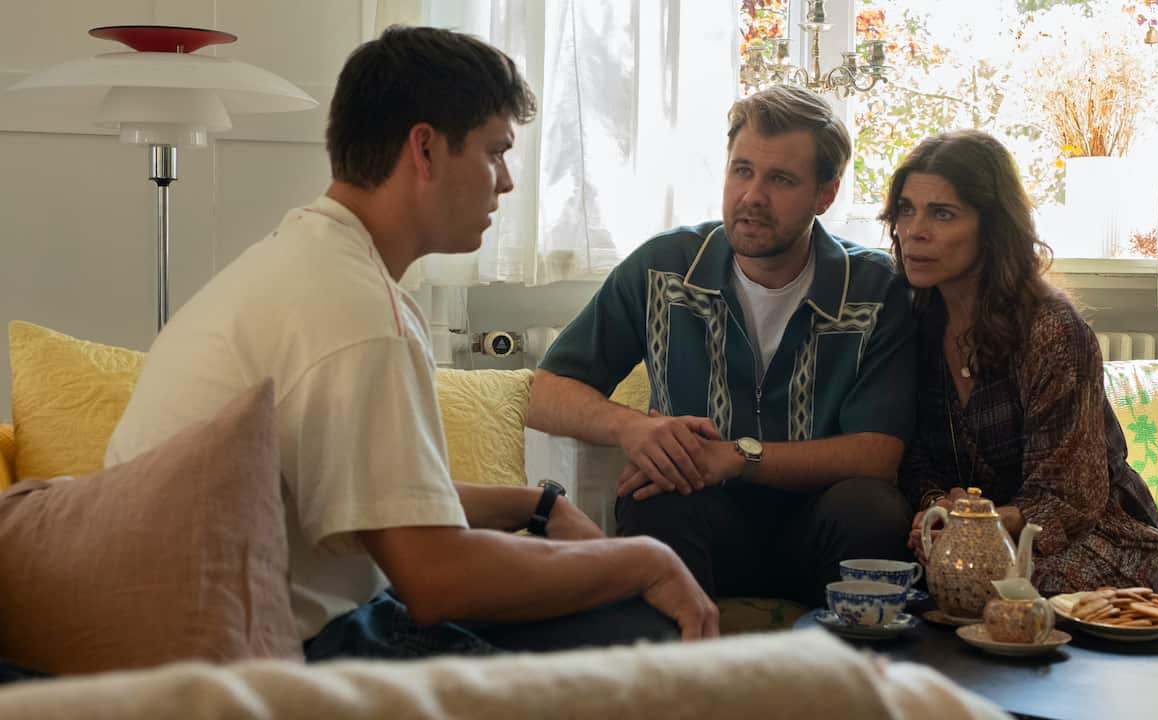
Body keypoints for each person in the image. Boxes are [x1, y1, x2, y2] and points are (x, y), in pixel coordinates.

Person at [105, 26, 718, 661]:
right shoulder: (359, 312)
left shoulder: (304, 261)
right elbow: (436, 579)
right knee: (638, 626)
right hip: (277, 650)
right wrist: (646, 560)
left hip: (192, 628)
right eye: (495, 152)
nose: (506, 183)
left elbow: (382, 505)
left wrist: (538, 507)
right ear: (424, 150)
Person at [525, 84, 917, 609]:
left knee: (873, 506)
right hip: (700, 521)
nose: (753, 195)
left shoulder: (875, 289)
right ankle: (688, 679)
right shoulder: (663, 268)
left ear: (825, 195)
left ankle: (841, 678)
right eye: (742, 170)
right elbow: (546, 392)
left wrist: (736, 457)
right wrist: (633, 427)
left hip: (819, 525)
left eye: (780, 179)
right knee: (652, 496)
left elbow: (877, 455)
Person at [886, 130, 1158, 594]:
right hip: (965, 531)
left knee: (1001, 591)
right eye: (906, 209)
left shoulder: (1051, 329)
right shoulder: (908, 317)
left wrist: (974, 525)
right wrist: (939, 508)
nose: (914, 231)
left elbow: (1070, 495)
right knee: (896, 580)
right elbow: (910, 452)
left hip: (1083, 534)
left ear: (992, 228)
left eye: (942, 213)